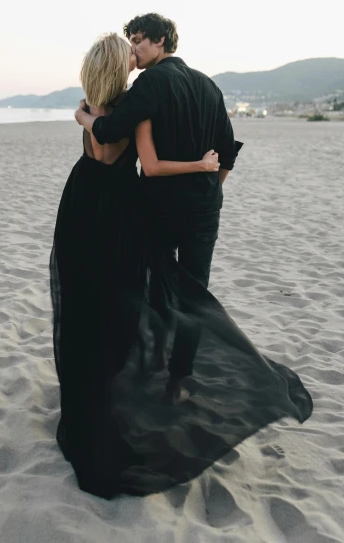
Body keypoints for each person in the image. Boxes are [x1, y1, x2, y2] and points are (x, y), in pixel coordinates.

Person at [70, 14, 312, 499]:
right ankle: (177, 379)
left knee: (157, 285)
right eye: (131, 41)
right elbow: (228, 149)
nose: (132, 48)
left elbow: (111, 125)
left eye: (138, 39)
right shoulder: (208, 85)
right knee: (193, 291)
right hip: (205, 206)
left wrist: (80, 114)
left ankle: (149, 371)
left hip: (160, 210)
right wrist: (209, 188)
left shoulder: (150, 83)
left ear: (160, 41)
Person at [50, 32, 221, 499]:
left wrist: (81, 115)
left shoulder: (92, 103)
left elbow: (98, 145)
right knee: (120, 301)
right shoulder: (133, 107)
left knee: (83, 297)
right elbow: (142, 160)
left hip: (83, 205)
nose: (134, 55)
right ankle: (123, 391)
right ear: (118, 63)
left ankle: (86, 393)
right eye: (128, 51)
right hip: (122, 210)